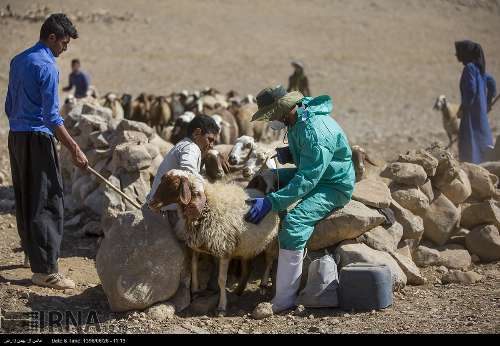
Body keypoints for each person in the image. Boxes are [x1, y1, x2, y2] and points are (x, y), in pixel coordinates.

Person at [245, 85, 355, 319]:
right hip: (316, 174)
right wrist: (290, 153)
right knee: (266, 177)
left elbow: (307, 180)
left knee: (294, 223)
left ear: (283, 109)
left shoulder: (314, 130)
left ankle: (284, 299)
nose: (272, 120)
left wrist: (272, 202)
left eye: (272, 115)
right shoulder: (299, 119)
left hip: (332, 185)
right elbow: (308, 160)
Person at [4, 14, 89, 290]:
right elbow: (52, 117)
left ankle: (32, 254)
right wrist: (74, 148)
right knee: (48, 202)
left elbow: (8, 105)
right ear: (51, 37)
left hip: (16, 136)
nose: (65, 49)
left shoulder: (18, 60)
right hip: (38, 139)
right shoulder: (48, 67)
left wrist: (21, 122)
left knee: (27, 197)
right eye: (64, 43)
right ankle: (46, 271)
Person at [147, 114, 220, 239]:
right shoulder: (191, 148)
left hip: (160, 207)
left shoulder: (183, 144)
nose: (211, 145)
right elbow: (189, 173)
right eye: (210, 139)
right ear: (197, 133)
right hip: (169, 213)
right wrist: (201, 199)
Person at [455, 40, 497, 164]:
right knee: (482, 138)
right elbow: (492, 83)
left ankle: (472, 167)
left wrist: (463, 107)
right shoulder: (479, 69)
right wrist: (487, 103)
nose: (457, 55)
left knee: (470, 141)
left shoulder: (469, 68)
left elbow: (471, 90)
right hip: (480, 112)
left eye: (459, 52)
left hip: (470, 113)